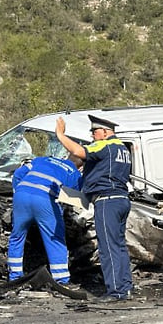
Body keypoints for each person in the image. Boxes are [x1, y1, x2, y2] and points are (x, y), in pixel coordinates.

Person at [55, 113, 133, 301]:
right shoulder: (123, 149)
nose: (92, 136)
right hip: (121, 199)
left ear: (105, 132)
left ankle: (115, 292)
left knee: (107, 248)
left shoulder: (106, 144)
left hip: (107, 200)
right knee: (119, 246)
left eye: (94, 132)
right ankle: (125, 287)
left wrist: (61, 135)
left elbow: (80, 152)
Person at [7, 153, 82, 284]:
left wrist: (17, 191)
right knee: (55, 238)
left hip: (21, 196)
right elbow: (75, 196)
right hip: (44, 200)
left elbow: (18, 174)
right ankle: (61, 279)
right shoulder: (73, 172)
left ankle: (15, 276)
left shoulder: (42, 159)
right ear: (81, 166)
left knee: (17, 236)